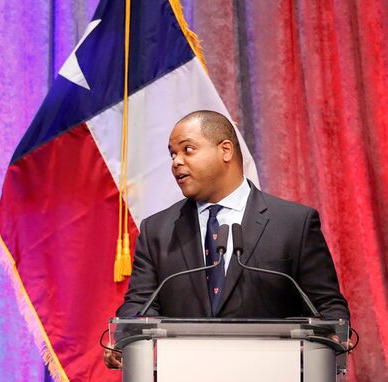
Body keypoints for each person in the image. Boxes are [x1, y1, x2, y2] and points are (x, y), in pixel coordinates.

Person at [105, 110, 349, 367]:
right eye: (172, 154)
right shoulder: (158, 230)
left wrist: (328, 339)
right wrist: (125, 339)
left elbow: (327, 307)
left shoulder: (293, 223)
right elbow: (140, 306)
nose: (176, 162)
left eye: (187, 150)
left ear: (226, 150)